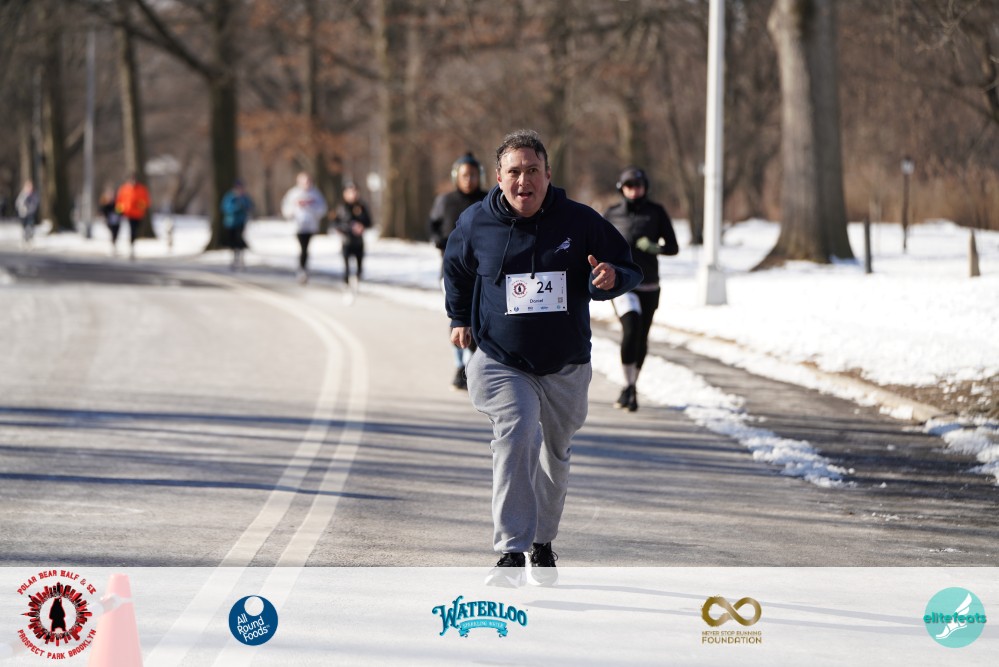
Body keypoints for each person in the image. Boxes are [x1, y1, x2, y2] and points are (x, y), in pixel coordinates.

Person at [443, 129, 642, 586]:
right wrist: (459, 316)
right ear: (498, 177)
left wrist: (610, 278)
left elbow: (626, 266)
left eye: (533, 170)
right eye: (514, 171)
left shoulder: (580, 221)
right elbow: (456, 268)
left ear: (548, 174)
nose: (523, 181)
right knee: (517, 435)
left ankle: (542, 542)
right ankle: (512, 552)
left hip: (565, 362)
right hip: (501, 359)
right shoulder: (476, 223)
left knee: (556, 452)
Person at [602, 167, 679, 412]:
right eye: (629, 185)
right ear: (621, 188)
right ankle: (629, 385)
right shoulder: (612, 214)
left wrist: (655, 247)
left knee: (642, 337)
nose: (634, 190)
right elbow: (596, 244)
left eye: (638, 185)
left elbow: (673, 247)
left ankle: (631, 385)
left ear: (645, 187)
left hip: (649, 284)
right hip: (623, 285)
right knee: (631, 328)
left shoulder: (656, 212)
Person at [428, 152, 488, 390]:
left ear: (480, 176)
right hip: (451, 271)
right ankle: (460, 365)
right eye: (464, 175)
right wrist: (438, 240)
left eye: (473, 175)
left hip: (481, 271)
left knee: (479, 318)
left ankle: (475, 365)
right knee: (459, 316)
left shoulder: (488, 200)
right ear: (456, 177)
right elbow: (433, 225)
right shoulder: (445, 201)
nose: (469, 179)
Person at [281, 172, 328, 284]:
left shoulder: (315, 194)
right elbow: (286, 208)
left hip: (310, 226)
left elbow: (322, 208)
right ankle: (302, 268)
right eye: (304, 181)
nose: (306, 183)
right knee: (303, 248)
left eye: (308, 181)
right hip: (298, 226)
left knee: (306, 249)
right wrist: (294, 210)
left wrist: (312, 209)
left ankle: (303, 268)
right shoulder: (293, 193)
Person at [332, 182, 372, 286]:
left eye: (355, 192)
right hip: (347, 241)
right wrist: (349, 228)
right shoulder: (341, 207)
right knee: (346, 265)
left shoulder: (362, 206)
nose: (353, 195)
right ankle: (346, 283)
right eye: (350, 192)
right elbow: (336, 223)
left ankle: (358, 280)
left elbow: (369, 222)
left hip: (358, 241)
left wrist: (361, 226)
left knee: (359, 265)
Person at [115, 173, 150, 260]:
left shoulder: (141, 189)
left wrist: (141, 207)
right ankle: (127, 245)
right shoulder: (124, 188)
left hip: (137, 214)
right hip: (127, 213)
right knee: (128, 229)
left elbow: (146, 201)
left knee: (134, 230)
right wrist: (119, 211)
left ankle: (132, 244)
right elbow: (120, 200)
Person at [221, 179, 254, 270]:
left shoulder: (244, 197)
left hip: (241, 222)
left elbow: (250, 206)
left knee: (239, 239)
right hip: (230, 223)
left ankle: (241, 258)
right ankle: (234, 258)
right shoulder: (230, 196)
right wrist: (236, 207)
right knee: (232, 241)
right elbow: (225, 207)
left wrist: (243, 205)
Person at [15, 180, 40, 246]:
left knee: (30, 226)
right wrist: (22, 208)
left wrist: (31, 208)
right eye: (28, 187)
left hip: (30, 214)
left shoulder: (34, 195)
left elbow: (35, 203)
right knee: (24, 227)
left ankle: (29, 239)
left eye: (31, 187)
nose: (29, 188)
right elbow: (18, 203)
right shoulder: (23, 194)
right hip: (23, 214)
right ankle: (24, 239)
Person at [98, 185, 121, 255]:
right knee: (112, 232)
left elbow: (120, 210)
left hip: (116, 220)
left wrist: (118, 212)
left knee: (116, 232)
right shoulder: (105, 202)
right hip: (109, 220)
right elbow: (102, 210)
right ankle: (112, 244)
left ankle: (114, 244)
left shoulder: (117, 202)